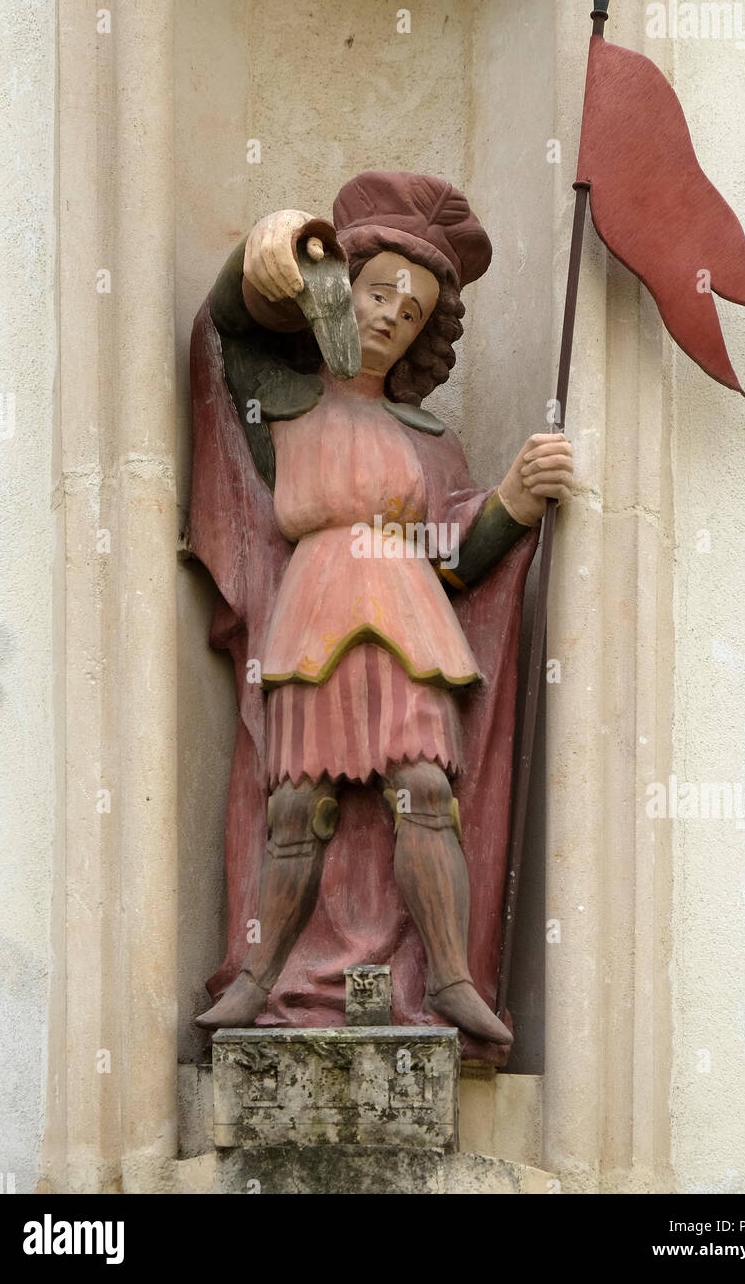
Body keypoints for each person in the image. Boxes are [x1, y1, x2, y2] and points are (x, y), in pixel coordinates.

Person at [190, 172, 574, 1049]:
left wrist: (512, 497)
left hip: (407, 615)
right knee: (297, 805)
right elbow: (230, 331)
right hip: (315, 609)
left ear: (425, 333)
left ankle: (449, 981)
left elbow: (456, 558)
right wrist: (269, 252)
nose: (392, 315)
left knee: (424, 794)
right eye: (378, 292)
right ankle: (259, 977)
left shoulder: (430, 439)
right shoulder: (281, 405)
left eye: (413, 309)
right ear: (342, 291)